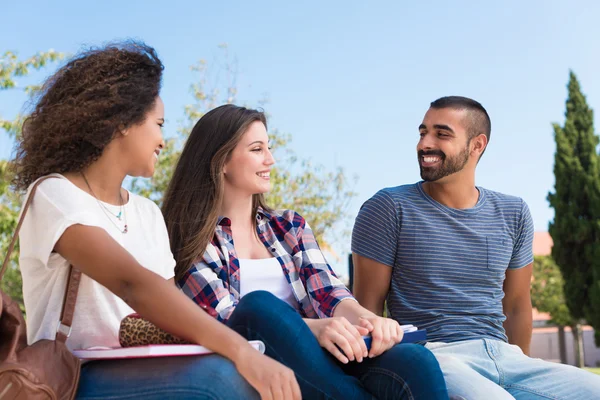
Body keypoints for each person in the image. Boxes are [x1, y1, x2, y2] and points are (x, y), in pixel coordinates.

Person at [13, 41, 300, 400]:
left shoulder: (147, 213)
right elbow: (132, 283)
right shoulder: (53, 194)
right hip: (75, 374)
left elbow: (164, 310)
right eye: (158, 124)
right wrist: (240, 351)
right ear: (121, 123)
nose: (163, 141)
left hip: (148, 364)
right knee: (222, 381)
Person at [161, 104, 449, 400]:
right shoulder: (192, 239)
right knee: (259, 306)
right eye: (257, 149)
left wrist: (370, 321)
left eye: (268, 148)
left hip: (325, 358)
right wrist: (312, 329)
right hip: (262, 359)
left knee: (415, 361)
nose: (270, 160)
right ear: (221, 160)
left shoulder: (289, 226)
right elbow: (223, 318)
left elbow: (329, 293)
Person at [351, 96, 600, 399]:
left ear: (477, 145)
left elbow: (517, 306)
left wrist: (520, 376)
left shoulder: (514, 212)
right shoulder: (388, 207)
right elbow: (366, 310)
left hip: (506, 356)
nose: (425, 143)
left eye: (441, 134)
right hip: (434, 355)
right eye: (422, 132)